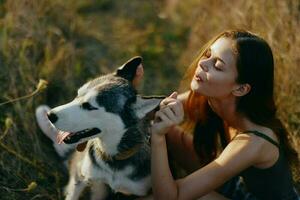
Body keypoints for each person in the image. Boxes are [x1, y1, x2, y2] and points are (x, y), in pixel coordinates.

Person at [151, 30, 300, 200]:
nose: (203, 63)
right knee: (165, 126)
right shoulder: (212, 97)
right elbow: (156, 108)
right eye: (208, 54)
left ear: (240, 89)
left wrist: (157, 138)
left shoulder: (254, 142)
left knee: (197, 197)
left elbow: (170, 197)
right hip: (239, 186)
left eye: (218, 66)